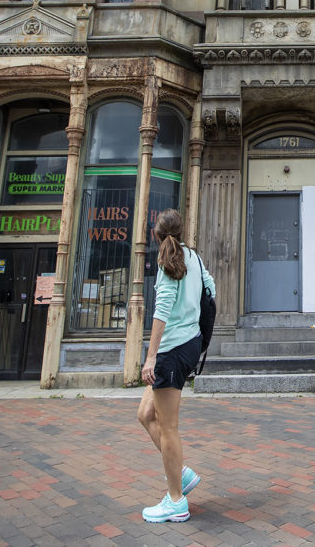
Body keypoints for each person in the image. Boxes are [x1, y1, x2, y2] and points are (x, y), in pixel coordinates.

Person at [136, 209, 216, 523]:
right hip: (189, 345)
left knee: (168, 427)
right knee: (144, 413)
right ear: (181, 233)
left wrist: (151, 356)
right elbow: (211, 291)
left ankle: (175, 501)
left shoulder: (170, 263)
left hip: (171, 351)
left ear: (157, 235)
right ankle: (180, 473)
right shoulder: (192, 258)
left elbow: (162, 309)